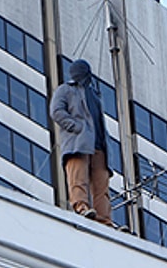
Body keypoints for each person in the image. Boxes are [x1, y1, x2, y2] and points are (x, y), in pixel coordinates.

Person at [50, 59, 115, 227]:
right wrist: (76, 127)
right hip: (78, 143)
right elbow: (56, 111)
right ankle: (81, 207)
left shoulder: (95, 93)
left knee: (102, 185)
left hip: (99, 145)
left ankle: (105, 219)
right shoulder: (66, 89)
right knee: (78, 178)